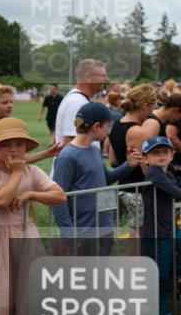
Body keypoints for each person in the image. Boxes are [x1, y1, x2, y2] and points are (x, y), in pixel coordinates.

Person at [0, 118, 66, 315]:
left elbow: (60, 196)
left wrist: (33, 192)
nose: (13, 149)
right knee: (0, 306)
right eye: (6, 144)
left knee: (25, 300)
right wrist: (17, 174)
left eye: (19, 143)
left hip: (24, 241)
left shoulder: (32, 171)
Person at [51, 103, 141, 255]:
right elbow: (58, 199)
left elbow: (105, 178)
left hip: (104, 228)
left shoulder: (93, 149)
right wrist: (69, 235)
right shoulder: (67, 157)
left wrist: (129, 165)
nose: (109, 130)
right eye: (108, 125)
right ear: (97, 126)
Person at [139, 136, 181, 315]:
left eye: (165, 152)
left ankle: (175, 274)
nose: (161, 156)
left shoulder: (166, 173)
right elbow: (176, 193)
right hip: (157, 233)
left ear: (172, 155)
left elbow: (173, 186)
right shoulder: (154, 174)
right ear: (146, 159)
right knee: (160, 277)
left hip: (169, 229)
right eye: (155, 153)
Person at [109, 85, 159, 247]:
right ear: (146, 106)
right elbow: (145, 167)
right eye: (153, 107)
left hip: (122, 187)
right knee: (139, 238)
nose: (153, 112)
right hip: (137, 191)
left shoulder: (117, 124)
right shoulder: (138, 131)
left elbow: (113, 161)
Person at [0, 84, 59, 165]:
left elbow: (17, 160)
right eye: (4, 103)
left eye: (11, 102)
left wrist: (46, 154)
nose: (10, 106)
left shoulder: (11, 127)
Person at [53, 59, 108, 147]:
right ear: (88, 77)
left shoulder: (80, 99)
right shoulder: (77, 103)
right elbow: (70, 144)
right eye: (102, 76)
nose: (106, 79)